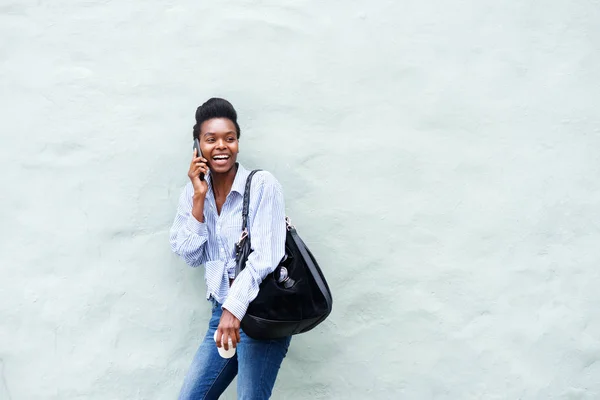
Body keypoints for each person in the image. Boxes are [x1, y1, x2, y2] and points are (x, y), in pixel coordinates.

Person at [169, 98, 291, 399]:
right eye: (211, 140)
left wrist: (233, 310)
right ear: (197, 147)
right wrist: (199, 199)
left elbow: (266, 257)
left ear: (237, 143)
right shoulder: (194, 193)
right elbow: (190, 255)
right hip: (221, 313)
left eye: (229, 138)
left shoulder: (262, 185)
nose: (221, 146)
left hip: (262, 313)